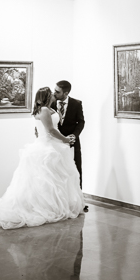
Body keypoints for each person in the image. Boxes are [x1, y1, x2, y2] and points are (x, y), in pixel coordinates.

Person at [0, 87, 85, 229]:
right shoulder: (45, 110)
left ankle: (56, 206)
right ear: (47, 97)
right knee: (46, 179)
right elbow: (51, 130)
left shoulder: (46, 109)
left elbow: (41, 129)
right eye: (51, 93)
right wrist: (65, 140)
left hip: (53, 145)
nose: (54, 95)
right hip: (47, 146)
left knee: (55, 179)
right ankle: (46, 208)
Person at [53, 80, 88, 213]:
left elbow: (81, 122)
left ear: (66, 93)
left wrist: (75, 135)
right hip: (55, 142)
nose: (54, 93)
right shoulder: (50, 102)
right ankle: (59, 202)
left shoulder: (76, 104)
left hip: (72, 142)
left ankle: (79, 202)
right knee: (57, 171)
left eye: (57, 91)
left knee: (76, 170)